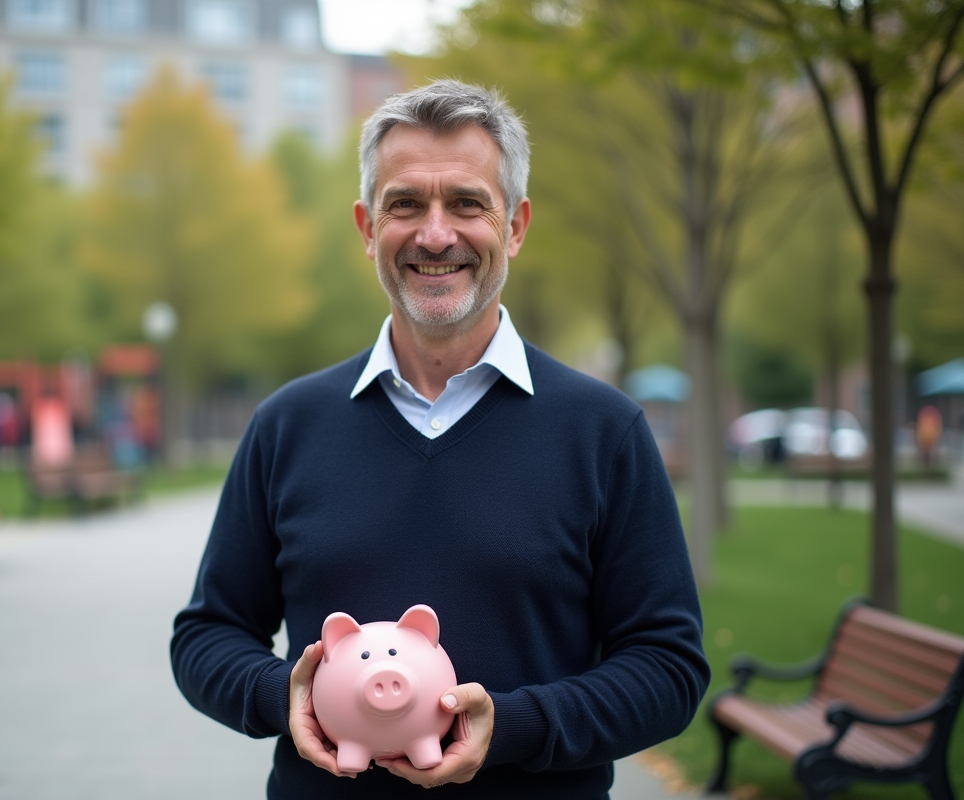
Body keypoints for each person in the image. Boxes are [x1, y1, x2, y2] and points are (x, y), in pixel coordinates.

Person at [171, 79, 709, 798]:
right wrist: (287, 695)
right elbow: (206, 636)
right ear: (367, 228)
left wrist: (515, 726)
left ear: (514, 226)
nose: (434, 234)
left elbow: (669, 668)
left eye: (466, 203)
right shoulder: (287, 426)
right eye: (405, 204)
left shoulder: (604, 433)